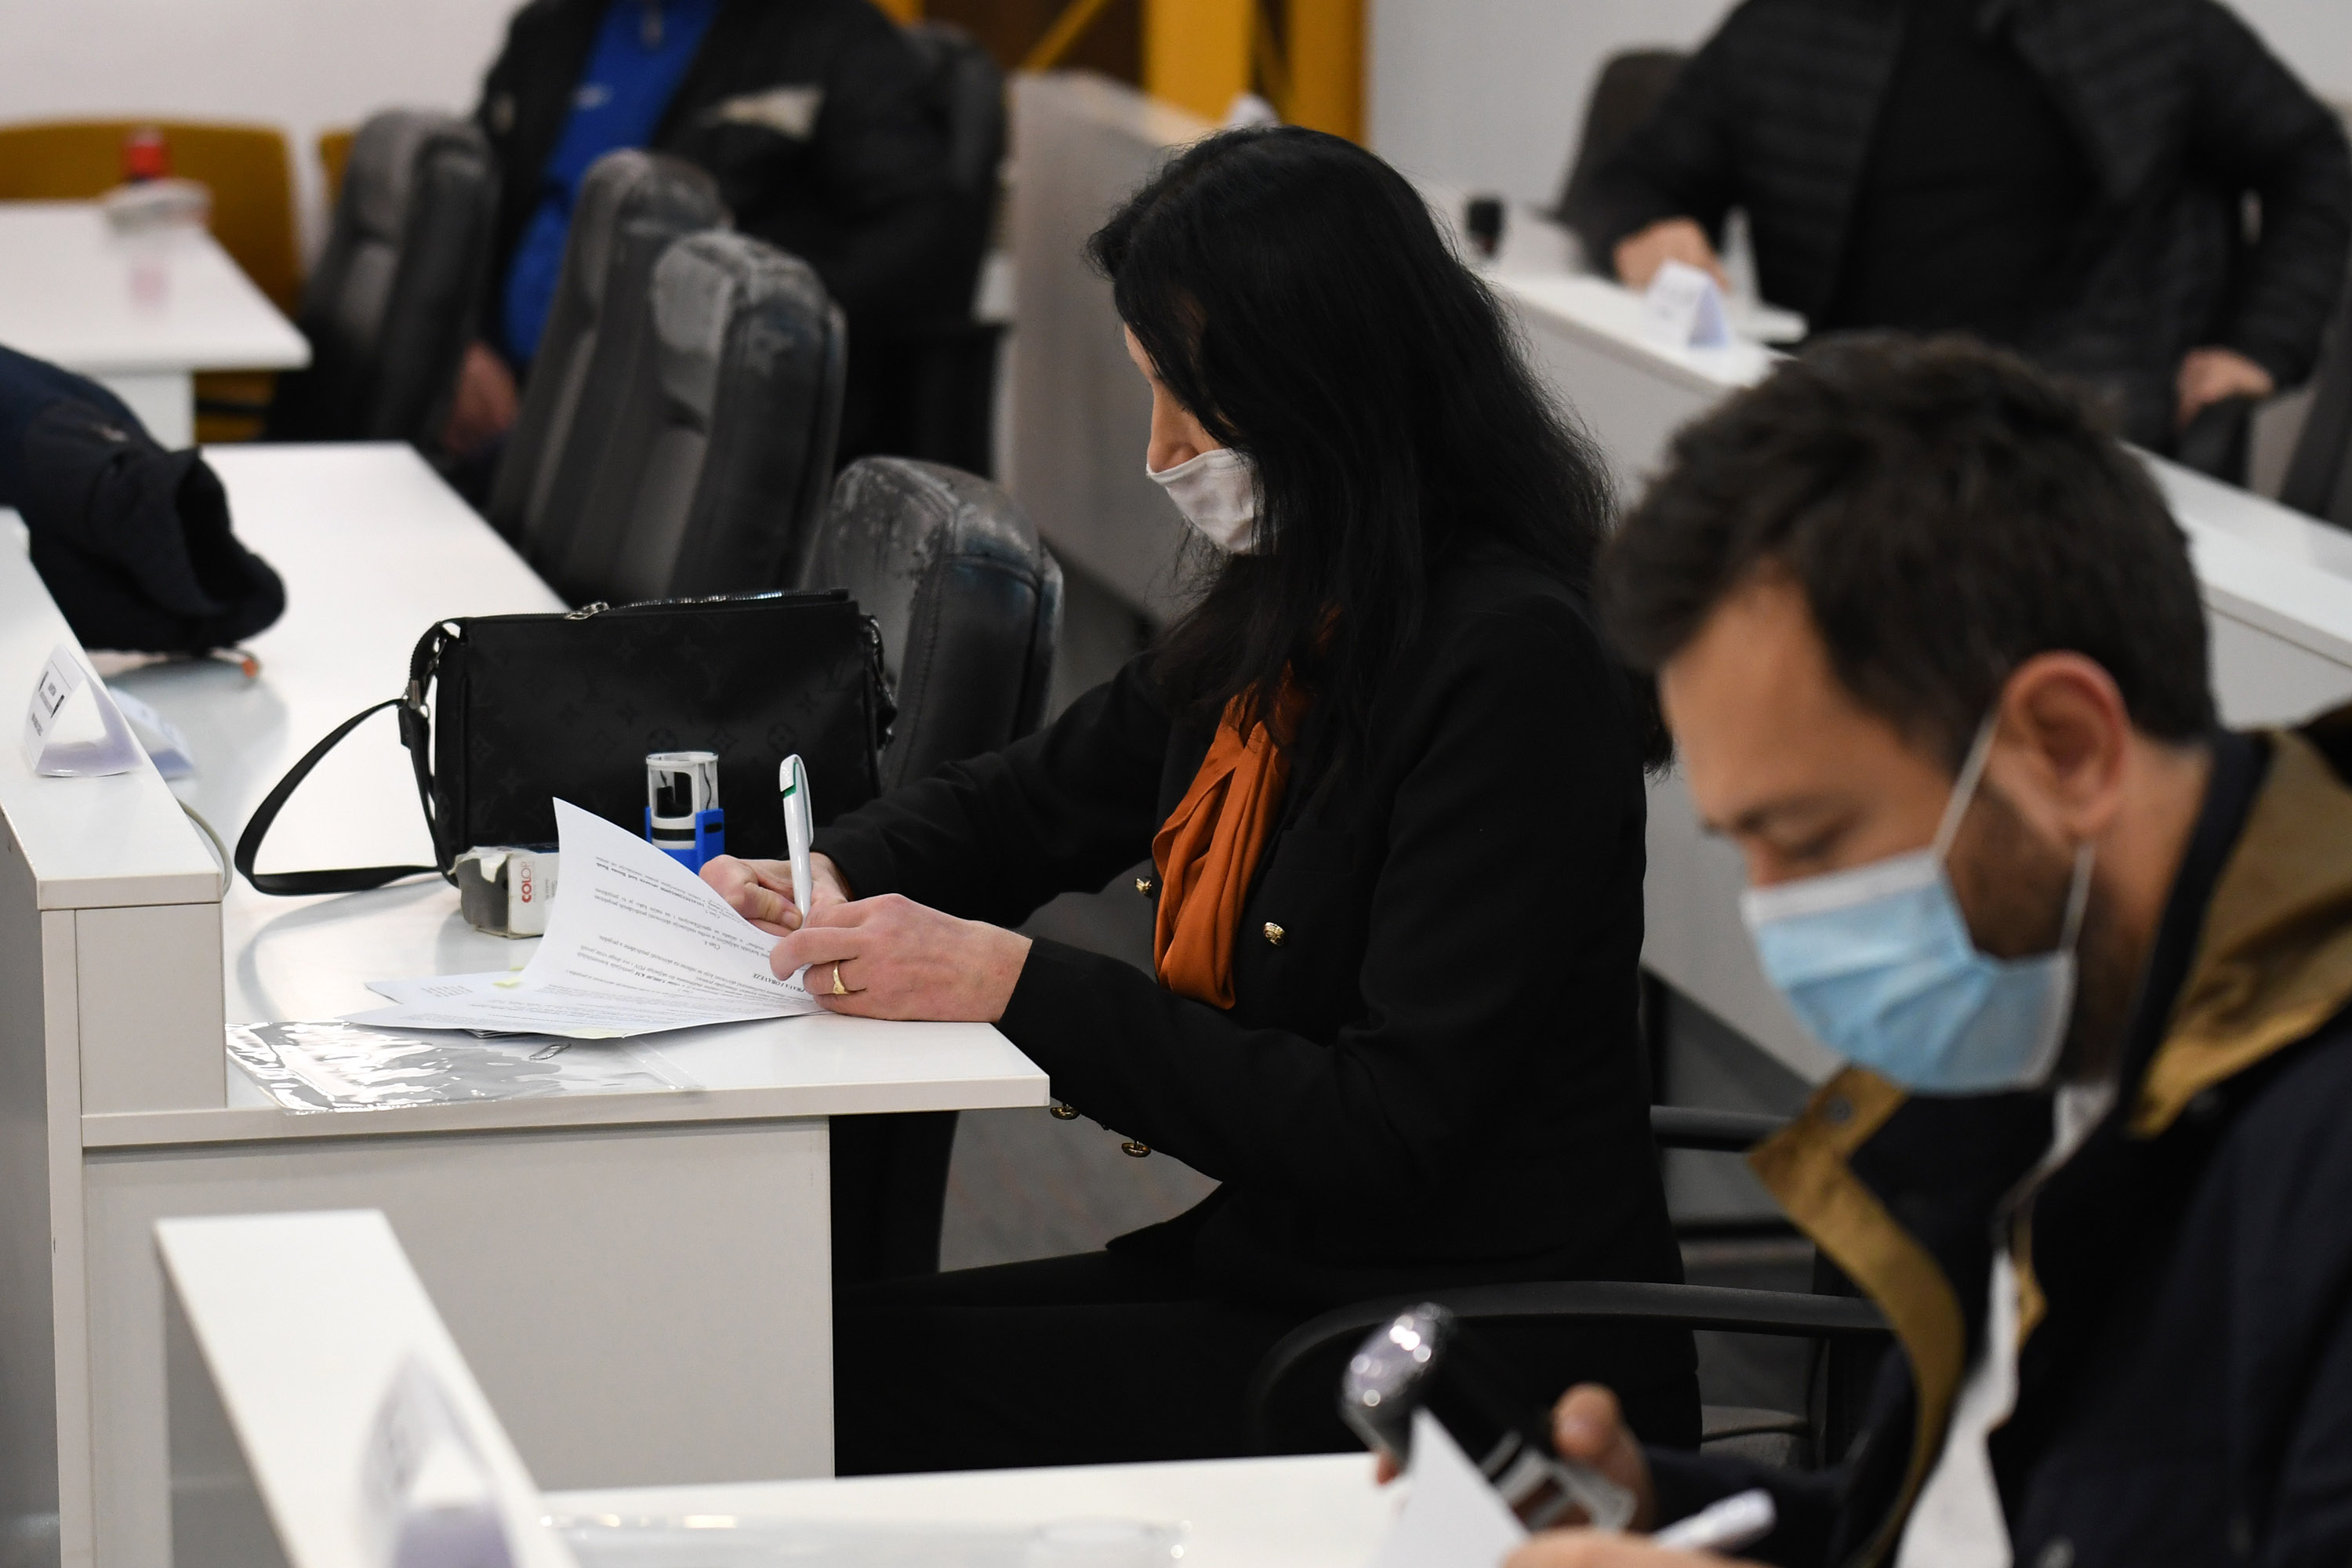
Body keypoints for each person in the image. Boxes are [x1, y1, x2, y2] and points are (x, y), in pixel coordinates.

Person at [700, 126, 1697, 1471]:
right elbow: (1034, 802)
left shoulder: (1510, 663)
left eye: (1195, 400)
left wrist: (1012, 984)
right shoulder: (1307, 596)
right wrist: (830, 871)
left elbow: (1383, 1126)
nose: (1164, 450)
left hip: (1464, 1353)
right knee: (792, 1365)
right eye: (1154, 391)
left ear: (1327, 386)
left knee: (813, 1399)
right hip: (1302, 1273)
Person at [1501, 334, 2352, 1567]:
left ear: (2066, 747)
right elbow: (1970, 1524)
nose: (1773, 915)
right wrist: (1658, 1507)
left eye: (1810, 837)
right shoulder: (2052, 1030)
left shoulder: (2307, 1145)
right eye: (1747, 846)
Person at [1573, 0, 2352, 451]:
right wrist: (1647, 231)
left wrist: (2261, 343)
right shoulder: (1791, 24)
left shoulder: (2147, 22)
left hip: (2078, 444)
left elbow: (2314, 158)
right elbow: (1634, 176)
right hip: (1844, 432)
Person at [443, 0, 974, 470]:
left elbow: (925, 240)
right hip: (511, 423)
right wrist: (459, 344)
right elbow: (463, 214)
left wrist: (751, 330)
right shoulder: (545, 31)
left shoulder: (834, 35)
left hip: (695, 438)